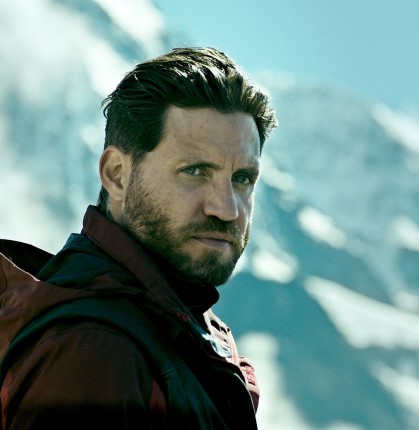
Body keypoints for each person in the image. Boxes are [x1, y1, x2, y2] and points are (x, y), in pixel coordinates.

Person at [0, 46, 277, 429]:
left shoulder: (173, 326)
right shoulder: (95, 352)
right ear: (116, 174)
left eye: (242, 178)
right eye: (195, 171)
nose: (227, 209)